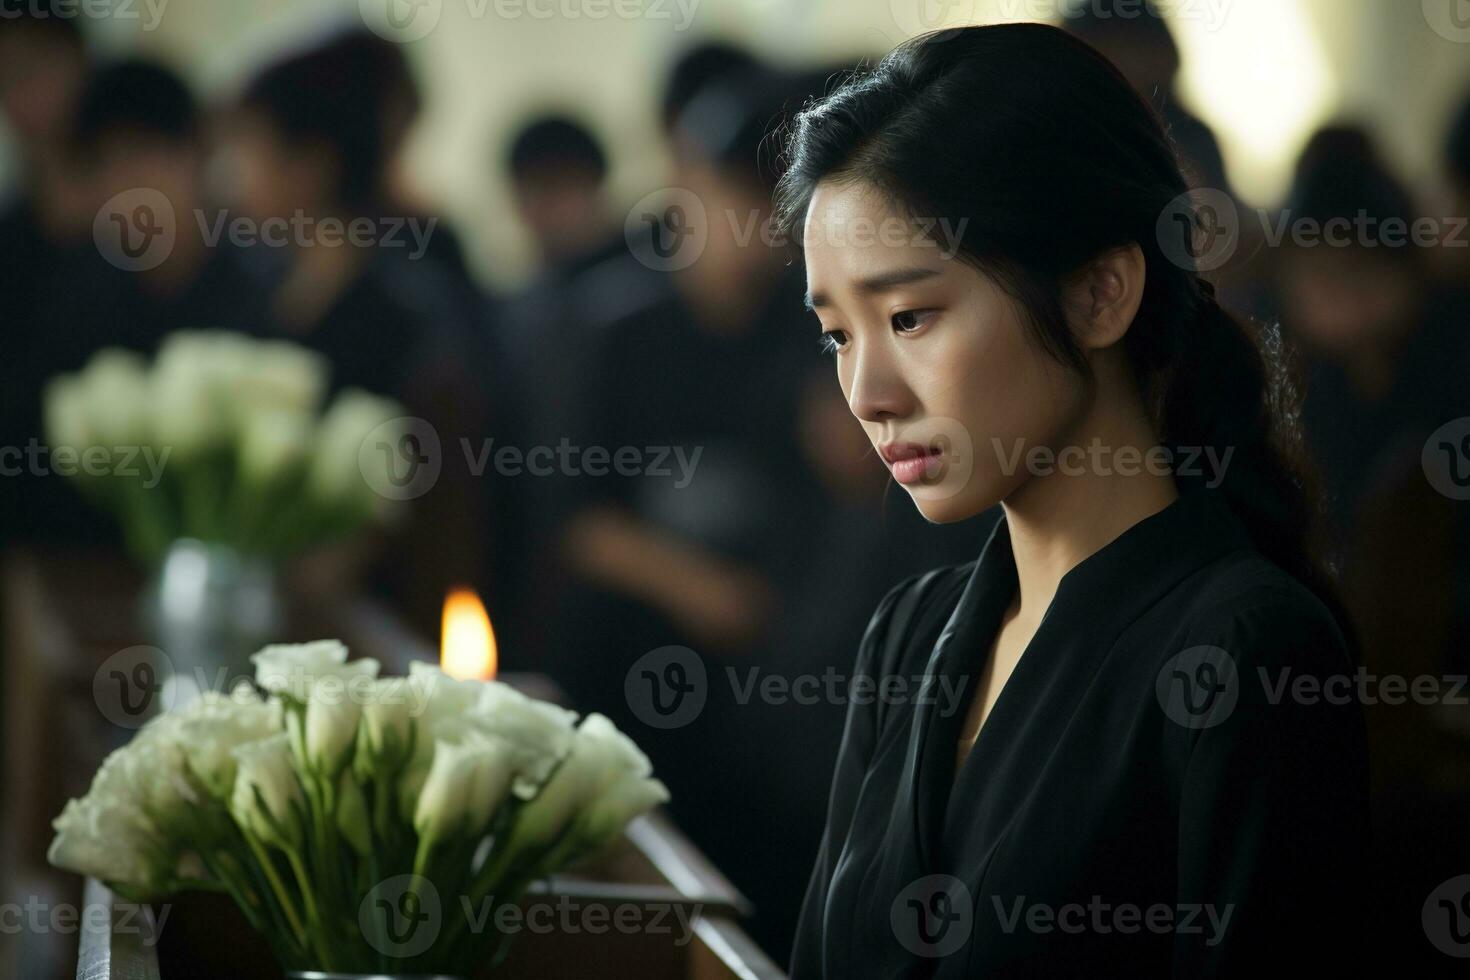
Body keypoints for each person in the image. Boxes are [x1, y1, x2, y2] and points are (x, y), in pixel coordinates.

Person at [776, 24, 1368, 976]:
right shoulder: (909, 634)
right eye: (837, 335)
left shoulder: (1245, 651)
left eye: (909, 317)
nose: (867, 394)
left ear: (1101, 293)